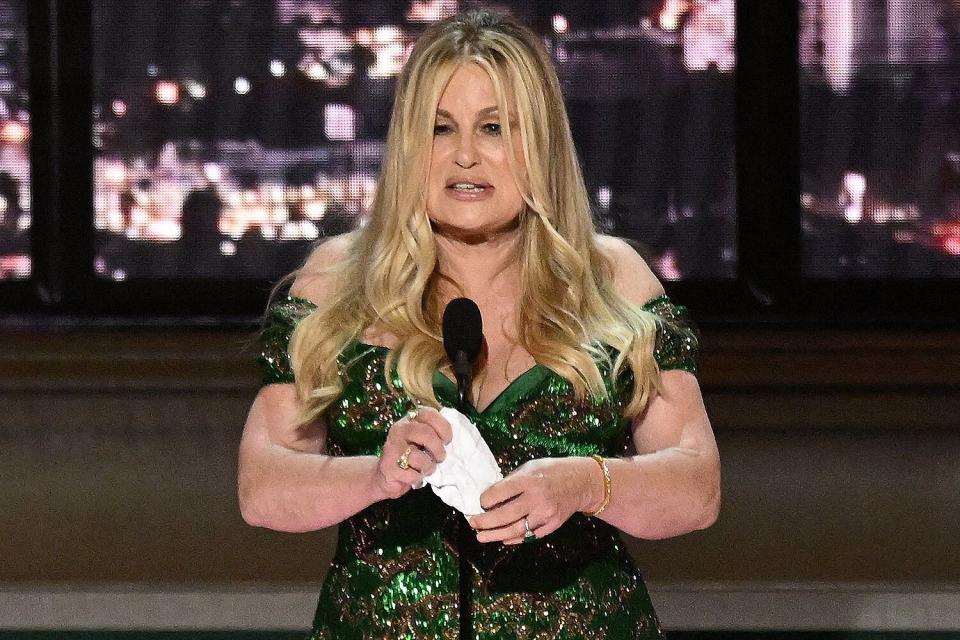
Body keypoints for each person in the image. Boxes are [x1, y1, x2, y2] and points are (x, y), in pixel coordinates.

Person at [239, 10, 720, 639]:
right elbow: (262, 486)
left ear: (539, 142)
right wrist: (376, 477)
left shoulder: (612, 279)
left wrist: (584, 484)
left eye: (493, 128)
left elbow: (697, 487)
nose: (465, 155)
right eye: (441, 129)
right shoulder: (339, 283)